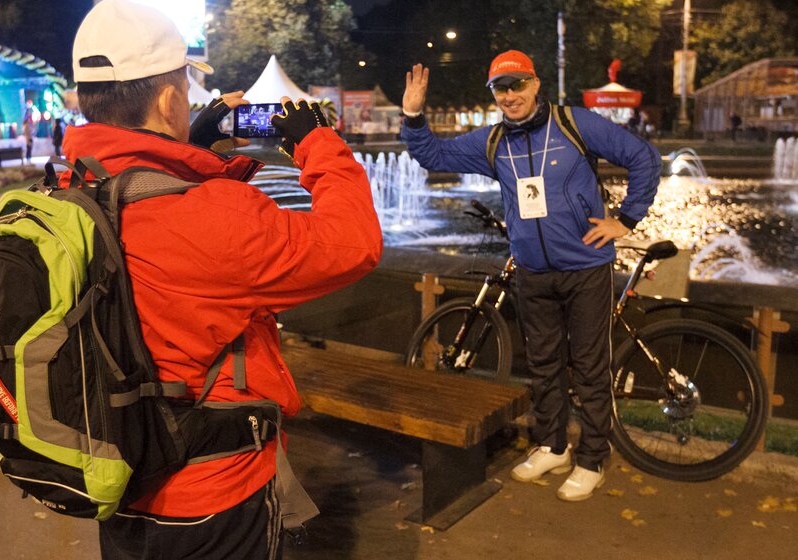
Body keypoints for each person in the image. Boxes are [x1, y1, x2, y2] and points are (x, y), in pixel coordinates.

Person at [65, 1, 382, 558]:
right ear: (167, 100)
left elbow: (146, 210)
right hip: (209, 494)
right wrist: (317, 142)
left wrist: (185, 149)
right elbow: (353, 245)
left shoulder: (73, 188)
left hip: (114, 472)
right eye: (184, 93)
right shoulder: (211, 216)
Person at [400, 51, 660, 501]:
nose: (510, 95)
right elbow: (432, 154)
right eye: (500, 89)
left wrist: (627, 219)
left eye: (517, 85)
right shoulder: (493, 142)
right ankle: (552, 445)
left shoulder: (575, 125)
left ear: (536, 84)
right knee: (542, 365)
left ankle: (593, 458)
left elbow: (643, 157)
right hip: (534, 273)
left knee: (591, 368)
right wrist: (412, 113)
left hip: (585, 269)